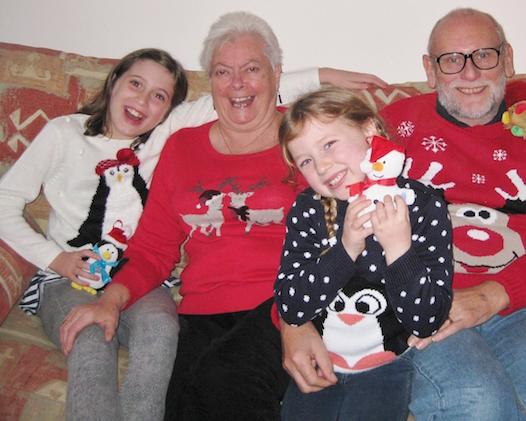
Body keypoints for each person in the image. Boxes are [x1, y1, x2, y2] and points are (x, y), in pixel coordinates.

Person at [279, 8, 526, 421]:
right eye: (452, 60)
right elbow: (307, 205)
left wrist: (494, 295)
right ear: (430, 70)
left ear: (507, 59)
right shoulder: (389, 126)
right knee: (479, 401)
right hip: (408, 299)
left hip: (518, 301)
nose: (469, 74)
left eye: (484, 56)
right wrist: (294, 324)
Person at [57, 12, 385, 421]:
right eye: (222, 72)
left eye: (252, 69)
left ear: (277, 74)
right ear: (209, 81)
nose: (237, 84)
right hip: (200, 314)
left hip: (287, 302)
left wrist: (295, 318)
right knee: (181, 404)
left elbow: (344, 235)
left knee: (223, 379)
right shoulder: (181, 148)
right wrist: (110, 300)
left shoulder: (306, 143)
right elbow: (153, 249)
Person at [0, 48, 189, 421]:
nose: (142, 101)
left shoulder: (160, 141)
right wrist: (56, 259)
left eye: (159, 96)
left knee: (162, 330)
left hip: (139, 281)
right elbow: (4, 200)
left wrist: (329, 74)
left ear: (168, 112)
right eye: (136, 84)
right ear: (113, 80)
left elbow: (241, 93)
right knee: (88, 338)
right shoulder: (64, 132)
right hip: (67, 280)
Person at [275, 87, 453, 421]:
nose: (323, 166)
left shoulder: (423, 205)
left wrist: (398, 248)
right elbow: (290, 305)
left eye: (329, 144)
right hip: (318, 363)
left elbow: (429, 319)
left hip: (389, 368)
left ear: (369, 131)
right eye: (307, 161)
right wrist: (345, 250)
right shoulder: (308, 210)